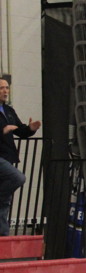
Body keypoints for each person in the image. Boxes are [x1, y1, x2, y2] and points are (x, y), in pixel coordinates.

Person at [0, 78, 41, 237]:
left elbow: (20, 131)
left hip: (7, 156)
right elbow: (6, 130)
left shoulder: (9, 110)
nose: (5, 91)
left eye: (7, 88)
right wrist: (3, 131)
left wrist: (30, 129)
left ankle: (3, 237)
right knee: (18, 178)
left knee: (5, 200)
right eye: (1, 88)